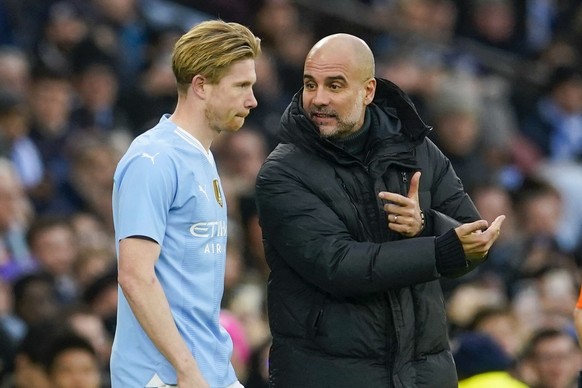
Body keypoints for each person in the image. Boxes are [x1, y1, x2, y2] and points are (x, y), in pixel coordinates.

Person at [254, 33, 505, 387]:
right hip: (330, 376)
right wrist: (437, 248)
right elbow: (339, 266)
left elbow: (471, 237)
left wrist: (424, 223)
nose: (318, 99)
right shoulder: (282, 173)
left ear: (368, 91)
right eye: (310, 84)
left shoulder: (419, 150)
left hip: (422, 374)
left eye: (335, 85)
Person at [110, 20, 261, 388]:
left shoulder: (203, 156)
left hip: (209, 366)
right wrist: (186, 369)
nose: (252, 99)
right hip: (163, 376)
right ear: (201, 86)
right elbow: (135, 277)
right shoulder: (152, 159)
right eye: (241, 86)